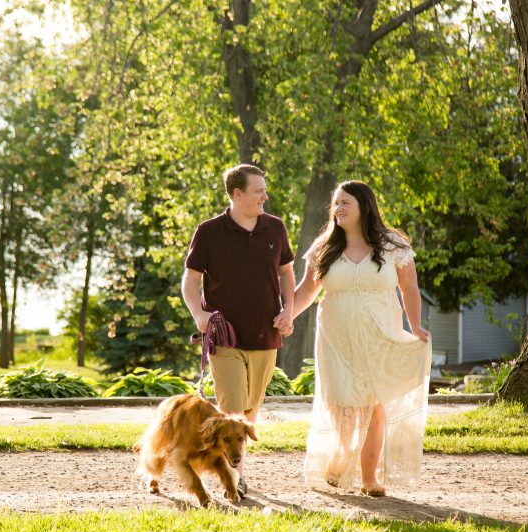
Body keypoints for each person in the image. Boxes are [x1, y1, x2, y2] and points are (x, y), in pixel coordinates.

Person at [291, 180, 432, 496]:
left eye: (345, 203)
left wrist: (416, 326)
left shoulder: (392, 244)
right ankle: (343, 456)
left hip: (379, 336)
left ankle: (369, 477)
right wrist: (286, 317)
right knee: (341, 404)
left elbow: (409, 288)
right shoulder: (324, 247)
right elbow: (305, 291)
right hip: (335, 339)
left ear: (364, 207)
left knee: (373, 404)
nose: (338, 209)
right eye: (336, 204)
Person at [182, 164, 295, 497]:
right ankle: (236, 479)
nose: (265, 196)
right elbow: (190, 281)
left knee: (249, 413)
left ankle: (231, 469)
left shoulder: (275, 228)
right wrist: (199, 315)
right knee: (232, 410)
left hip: (265, 336)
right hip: (224, 338)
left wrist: (288, 310)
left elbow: (287, 274)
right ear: (237, 194)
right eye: (259, 190)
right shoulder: (209, 231)